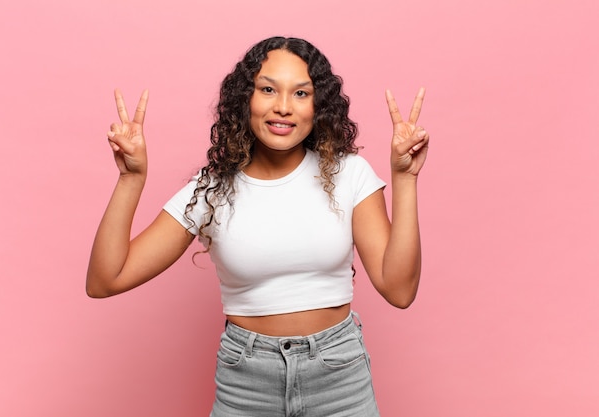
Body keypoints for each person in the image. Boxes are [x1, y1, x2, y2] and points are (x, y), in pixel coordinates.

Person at [87, 36, 429, 416]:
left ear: (318, 107)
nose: (283, 107)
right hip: (245, 383)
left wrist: (405, 179)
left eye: (301, 93)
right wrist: (131, 180)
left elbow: (399, 290)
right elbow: (106, 279)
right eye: (268, 89)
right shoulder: (212, 188)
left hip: (338, 376)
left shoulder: (349, 174)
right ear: (244, 99)